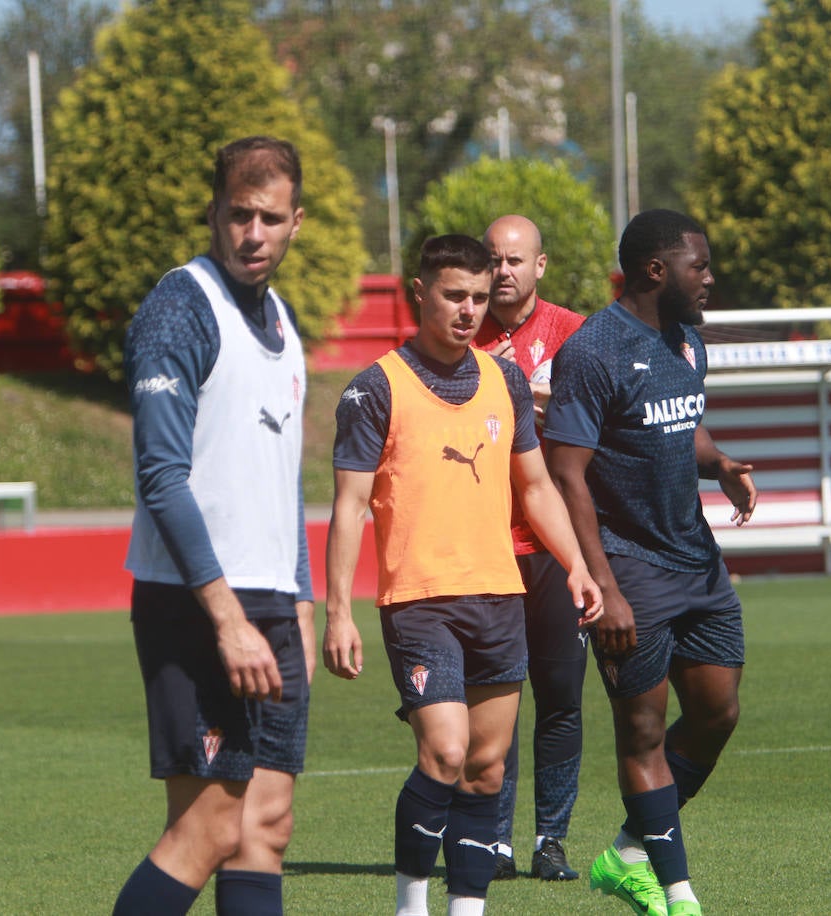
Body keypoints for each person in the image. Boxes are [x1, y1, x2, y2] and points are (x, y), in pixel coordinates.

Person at [323, 234, 604, 916]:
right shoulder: (373, 389)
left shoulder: (504, 380)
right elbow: (351, 506)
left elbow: (535, 487)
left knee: (485, 767)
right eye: (454, 295)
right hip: (420, 602)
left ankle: (467, 910)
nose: (468, 310)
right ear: (418, 292)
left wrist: (578, 566)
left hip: (500, 597)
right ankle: (411, 904)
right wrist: (336, 612)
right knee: (445, 752)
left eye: (479, 298)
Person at [113, 136, 315, 916]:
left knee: (265, 825)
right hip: (197, 606)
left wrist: (298, 601)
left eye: (269, 218)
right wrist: (229, 622)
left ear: (296, 221)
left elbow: (282, 478)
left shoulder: (286, 322)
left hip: (272, 608)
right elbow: (162, 477)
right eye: (238, 215)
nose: (253, 234)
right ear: (213, 213)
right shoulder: (178, 308)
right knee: (206, 827)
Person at [543, 209, 757, 916]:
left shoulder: (689, 341)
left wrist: (718, 461)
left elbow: (681, 420)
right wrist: (604, 587)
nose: (711, 277)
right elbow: (567, 474)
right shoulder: (592, 352)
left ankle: (628, 850)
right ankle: (677, 893)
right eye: (700, 265)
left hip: (696, 562)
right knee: (641, 731)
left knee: (718, 713)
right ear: (655, 271)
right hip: (627, 568)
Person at [471, 215, 588, 882]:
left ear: (540, 266)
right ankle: (494, 840)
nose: (505, 270)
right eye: (495, 259)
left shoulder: (573, 333)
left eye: (517, 259)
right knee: (496, 700)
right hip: (483, 545)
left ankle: (551, 838)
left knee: (561, 694)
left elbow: (601, 420)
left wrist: (544, 396)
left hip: (552, 545)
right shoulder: (460, 334)